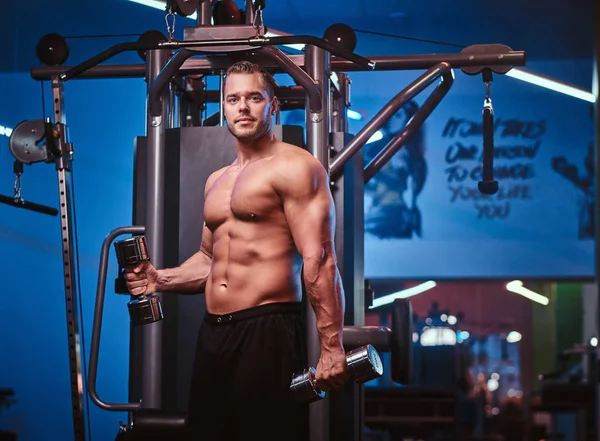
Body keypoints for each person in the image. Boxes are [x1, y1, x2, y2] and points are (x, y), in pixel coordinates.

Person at [124, 60, 350, 441]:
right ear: (224, 107)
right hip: (214, 333)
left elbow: (321, 260)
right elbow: (209, 260)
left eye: (253, 98)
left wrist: (332, 347)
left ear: (272, 105)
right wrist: (160, 279)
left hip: (268, 330)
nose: (242, 107)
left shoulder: (297, 167)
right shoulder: (217, 180)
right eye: (233, 99)